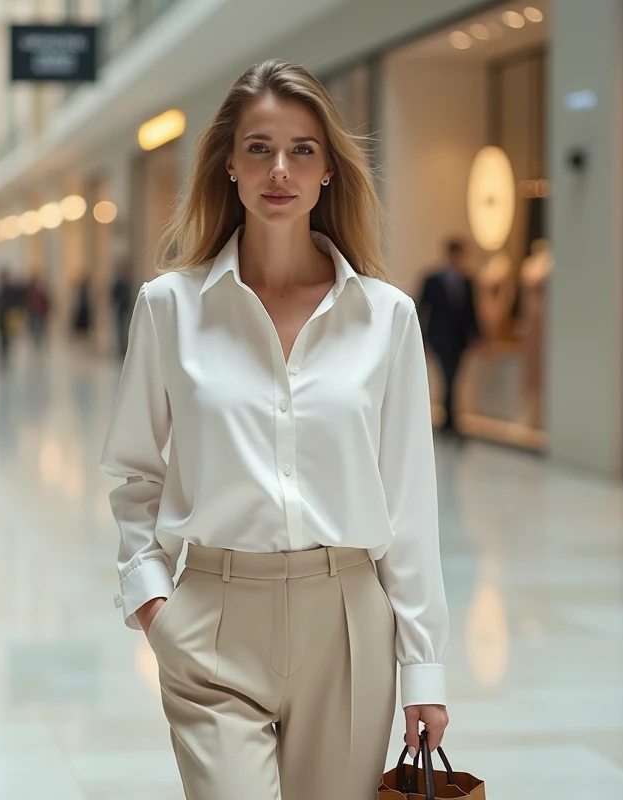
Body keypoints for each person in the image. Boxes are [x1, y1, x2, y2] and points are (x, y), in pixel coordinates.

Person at [99, 59, 450, 800]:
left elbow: (410, 504)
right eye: (259, 148)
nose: (280, 169)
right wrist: (154, 605)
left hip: (349, 624)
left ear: (329, 170)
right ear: (229, 164)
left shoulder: (386, 317)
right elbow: (135, 472)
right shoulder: (169, 308)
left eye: (302, 150)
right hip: (211, 619)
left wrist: (424, 668)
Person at [418, 238, 481, 439]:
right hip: (439, 337)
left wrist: (477, 335)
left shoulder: (467, 281)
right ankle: (450, 421)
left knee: (454, 378)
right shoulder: (432, 280)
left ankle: (450, 421)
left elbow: (471, 311)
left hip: (459, 339)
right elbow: (422, 308)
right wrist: (422, 338)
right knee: (448, 376)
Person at [25, 275, 51, 349]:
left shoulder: (39, 291)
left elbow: (46, 302)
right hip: (34, 312)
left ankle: (38, 341)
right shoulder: (31, 291)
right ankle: (36, 341)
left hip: (38, 312)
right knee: (36, 327)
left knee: (38, 327)